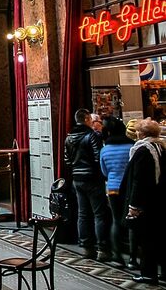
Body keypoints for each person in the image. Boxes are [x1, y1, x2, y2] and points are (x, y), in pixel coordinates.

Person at [122, 118, 166, 284]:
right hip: (159, 200)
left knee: (147, 240)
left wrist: (134, 205)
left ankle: (148, 273)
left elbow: (138, 180)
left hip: (146, 202)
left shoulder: (142, 150)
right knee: (160, 238)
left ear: (141, 133)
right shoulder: (161, 147)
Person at [65, 108, 112, 261]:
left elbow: (67, 160)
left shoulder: (69, 137)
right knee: (99, 214)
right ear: (86, 119)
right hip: (92, 178)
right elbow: (98, 157)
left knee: (83, 213)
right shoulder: (91, 136)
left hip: (77, 178)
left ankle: (86, 247)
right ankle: (102, 249)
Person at [100, 117, 134, 268]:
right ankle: (133, 258)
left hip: (113, 188)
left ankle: (117, 256)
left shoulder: (105, 149)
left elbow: (104, 171)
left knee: (116, 220)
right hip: (129, 188)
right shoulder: (131, 147)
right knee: (132, 221)